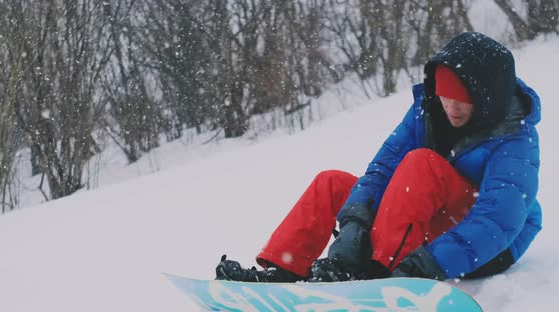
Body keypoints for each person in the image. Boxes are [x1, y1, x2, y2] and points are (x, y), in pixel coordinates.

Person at [215, 32, 542, 283]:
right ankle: (285, 270)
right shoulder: (425, 113)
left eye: (463, 99)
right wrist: (354, 225)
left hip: (486, 246)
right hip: (420, 220)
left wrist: (429, 264)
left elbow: (499, 220)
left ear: (486, 96)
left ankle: (376, 271)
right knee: (333, 184)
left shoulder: (516, 136)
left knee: (421, 164)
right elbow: (381, 172)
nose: (451, 107)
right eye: (446, 95)